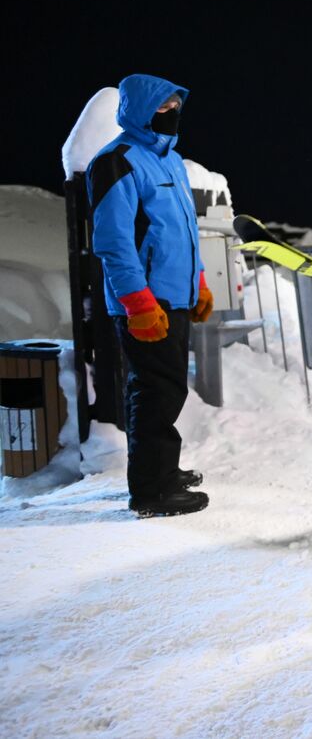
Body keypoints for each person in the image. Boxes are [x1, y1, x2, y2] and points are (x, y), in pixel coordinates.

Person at [88, 74, 214, 517]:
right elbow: (113, 241)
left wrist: (196, 281)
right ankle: (151, 491)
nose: (171, 113)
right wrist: (137, 302)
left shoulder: (172, 162)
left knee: (165, 388)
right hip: (145, 302)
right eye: (162, 106)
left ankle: (161, 470)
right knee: (156, 390)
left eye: (177, 105)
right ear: (139, 108)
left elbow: (183, 233)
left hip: (173, 298)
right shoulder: (117, 161)